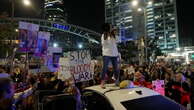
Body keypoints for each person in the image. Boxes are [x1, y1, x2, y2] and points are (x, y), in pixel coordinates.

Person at [101, 23, 120, 88]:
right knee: (105, 68)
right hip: (106, 53)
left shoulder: (113, 35)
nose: (112, 28)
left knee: (116, 68)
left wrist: (115, 34)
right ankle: (103, 82)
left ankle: (116, 81)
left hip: (114, 54)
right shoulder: (104, 35)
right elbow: (103, 44)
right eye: (111, 27)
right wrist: (107, 37)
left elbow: (118, 40)